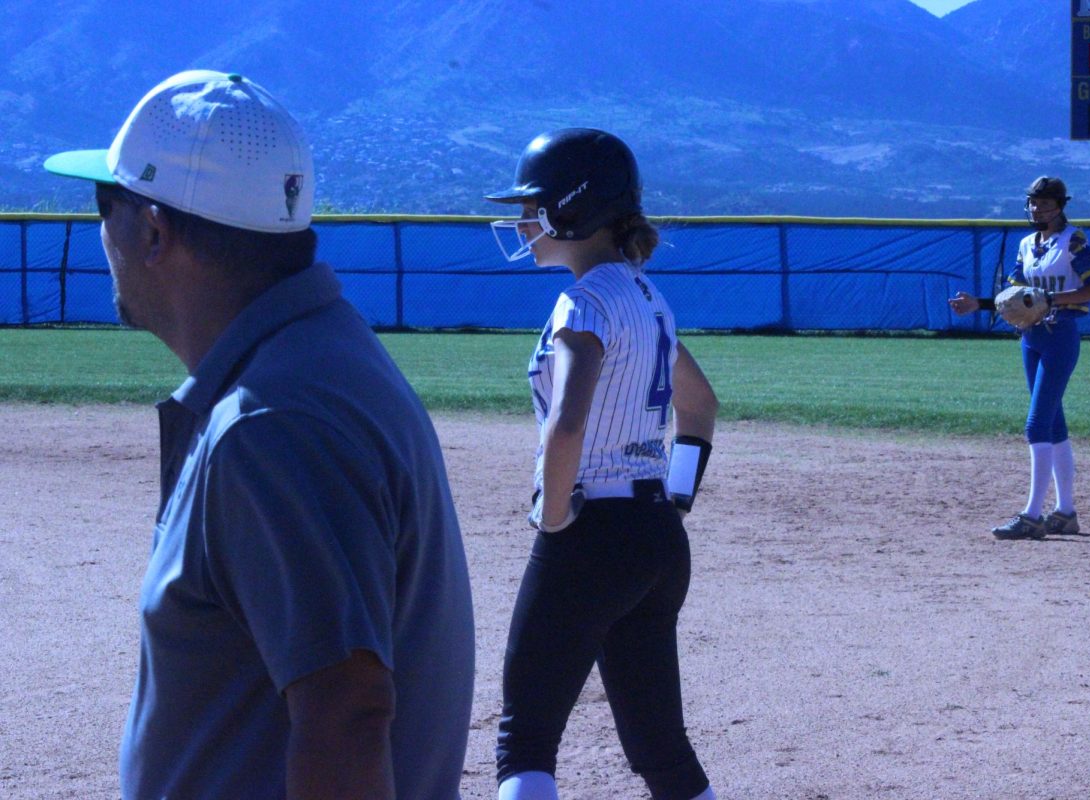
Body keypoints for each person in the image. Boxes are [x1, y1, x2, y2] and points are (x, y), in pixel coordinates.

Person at [43, 70, 475, 799]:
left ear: (152, 231)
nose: (98, 231)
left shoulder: (274, 422)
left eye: (104, 203)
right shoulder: (319, 358)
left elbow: (347, 713)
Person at [484, 128, 720, 800]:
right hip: (655, 538)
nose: (524, 221)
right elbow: (700, 409)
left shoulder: (584, 302)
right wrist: (671, 500)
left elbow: (567, 423)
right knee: (661, 750)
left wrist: (555, 518)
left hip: (592, 533)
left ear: (574, 210)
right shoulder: (648, 298)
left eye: (536, 206)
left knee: (524, 741)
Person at [949, 176, 1090, 540]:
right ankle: (1065, 513)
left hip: (1060, 335)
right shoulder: (1026, 244)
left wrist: (1053, 299)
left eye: (1045, 203)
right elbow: (1017, 297)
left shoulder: (1074, 241)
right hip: (1030, 336)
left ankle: (1032, 516)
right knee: (1053, 427)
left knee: (1036, 425)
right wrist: (980, 304)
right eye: (1033, 203)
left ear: (1060, 205)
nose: (1037, 209)